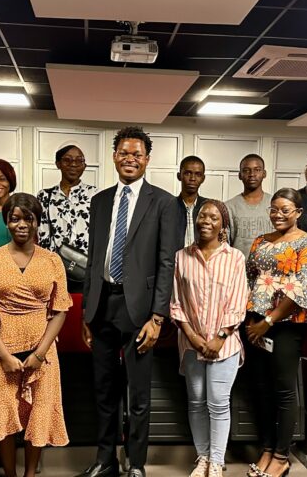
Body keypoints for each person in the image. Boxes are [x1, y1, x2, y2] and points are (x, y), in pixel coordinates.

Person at [77, 126, 180, 477]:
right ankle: (105, 460)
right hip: (102, 305)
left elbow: (168, 263)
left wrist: (158, 317)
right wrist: (85, 314)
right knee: (104, 391)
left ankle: (135, 463)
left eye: (137, 154)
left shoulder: (164, 202)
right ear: (114, 157)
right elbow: (93, 259)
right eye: (124, 153)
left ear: (147, 160)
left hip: (140, 310)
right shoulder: (100, 200)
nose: (130, 159)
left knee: (138, 395)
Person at [0, 193, 71, 477]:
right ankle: (10, 474)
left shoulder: (53, 261)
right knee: (3, 413)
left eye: (28, 218)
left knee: (38, 412)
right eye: (14, 219)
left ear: (38, 221)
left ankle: (30, 474)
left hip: (42, 348)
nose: (21, 225)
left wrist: (40, 354)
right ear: (6, 222)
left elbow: (60, 309)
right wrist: (3, 356)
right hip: (1, 348)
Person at [244, 188, 307, 477]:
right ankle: (267, 448)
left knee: (283, 390)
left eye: (285, 210)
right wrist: (252, 320)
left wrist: (269, 320)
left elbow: (303, 285)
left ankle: (281, 455)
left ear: (298, 213)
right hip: (256, 324)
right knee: (261, 389)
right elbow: (250, 279)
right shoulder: (260, 241)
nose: (278, 215)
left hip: (287, 324)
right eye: (274, 209)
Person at [170, 200, 247, 477]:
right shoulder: (181, 256)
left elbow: (239, 303)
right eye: (203, 215)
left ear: (222, 226)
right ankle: (202, 456)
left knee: (217, 402)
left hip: (224, 345)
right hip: (190, 343)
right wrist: (192, 335)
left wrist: (220, 337)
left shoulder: (235, 258)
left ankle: (216, 460)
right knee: (196, 401)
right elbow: (176, 303)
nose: (206, 221)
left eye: (214, 217)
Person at [37, 145, 97, 293]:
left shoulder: (96, 195)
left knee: (83, 314)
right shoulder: (45, 196)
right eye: (67, 160)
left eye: (79, 160)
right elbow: (42, 235)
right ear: (58, 164)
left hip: (86, 270)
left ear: (85, 165)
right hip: (53, 270)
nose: (74, 164)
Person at [225, 154, 273, 257]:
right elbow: (224, 244)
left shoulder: (275, 204)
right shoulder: (229, 207)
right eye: (246, 170)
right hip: (238, 269)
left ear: (264, 174)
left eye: (257, 170)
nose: (252, 174)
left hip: (271, 269)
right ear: (240, 175)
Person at [175, 156, 208, 248]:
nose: (192, 178)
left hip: (203, 260)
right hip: (175, 260)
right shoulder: (169, 206)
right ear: (179, 176)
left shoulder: (208, 207)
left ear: (203, 178)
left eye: (198, 174)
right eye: (187, 173)